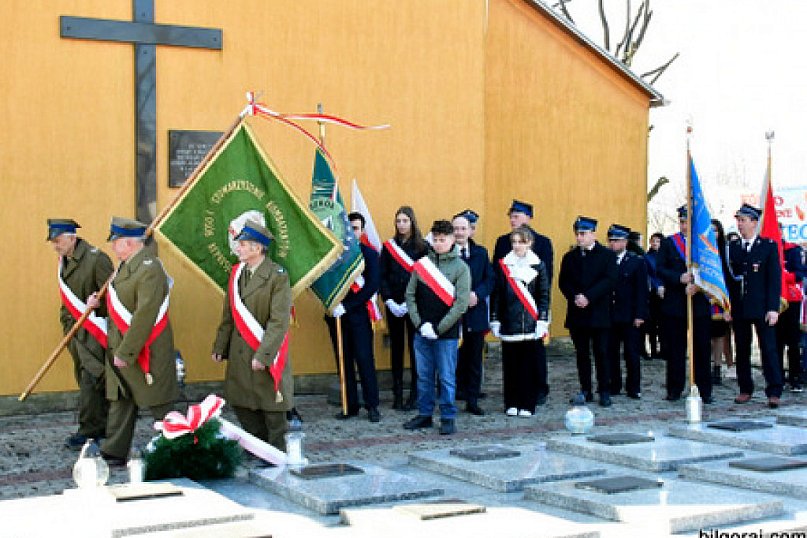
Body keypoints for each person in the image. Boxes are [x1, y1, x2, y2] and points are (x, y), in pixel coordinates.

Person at [88, 217, 178, 466]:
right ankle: (114, 449)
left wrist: (126, 352)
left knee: (159, 403)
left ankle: (178, 447)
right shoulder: (126, 266)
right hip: (123, 345)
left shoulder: (150, 268)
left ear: (128, 243)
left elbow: (145, 314)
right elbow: (121, 304)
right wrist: (98, 306)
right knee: (121, 398)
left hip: (145, 349)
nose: (113, 248)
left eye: (115, 243)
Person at [212, 220, 293, 449]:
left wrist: (264, 355)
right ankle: (258, 445)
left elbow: (278, 321)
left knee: (271, 407)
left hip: (265, 352)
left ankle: (277, 452)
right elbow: (228, 314)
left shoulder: (277, 276)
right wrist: (220, 346)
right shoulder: (237, 274)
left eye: (243, 244)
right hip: (240, 352)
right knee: (242, 402)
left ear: (258, 249)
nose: (238, 248)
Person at [47, 218, 113, 450]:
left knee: (91, 379)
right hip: (75, 333)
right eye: (53, 242)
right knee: (86, 378)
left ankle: (89, 430)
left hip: (94, 331)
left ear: (72, 237)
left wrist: (98, 305)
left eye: (58, 240)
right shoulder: (63, 261)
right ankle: (104, 425)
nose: (55, 245)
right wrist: (66, 323)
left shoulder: (96, 259)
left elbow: (114, 299)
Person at [403, 220, 470, 435]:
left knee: (446, 376)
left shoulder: (461, 268)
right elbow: (410, 295)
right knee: (424, 375)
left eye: (444, 240)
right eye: (437, 240)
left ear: (452, 240)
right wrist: (419, 324)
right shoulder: (422, 265)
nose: (439, 244)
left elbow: (460, 304)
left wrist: (439, 328)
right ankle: (425, 414)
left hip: (446, 333)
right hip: (422, 331)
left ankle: (448, 416)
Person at [655, 206, 714, 404]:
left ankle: (704, 389)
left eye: (687, 222)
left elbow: (712, 268)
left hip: (699, 303)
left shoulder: (704, 243)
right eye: (681, 221)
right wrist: (678, 278)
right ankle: (674, 388)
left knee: (701, 349)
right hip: (676, 304)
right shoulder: (669, 243)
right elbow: (660, 269)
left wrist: (698, 285)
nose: (684, 225)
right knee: (675, 350)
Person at [490, 225, 550, 416]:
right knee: (511, 367)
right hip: (509, 323)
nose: (517, 246)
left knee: (528, 367)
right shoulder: (504, 265)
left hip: (530, 324)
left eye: (521, 242)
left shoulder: (538, 265)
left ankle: (527, 404)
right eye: (514, 242)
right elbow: (498, 295)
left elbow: (544, 295)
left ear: (529, 243)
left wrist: (542, 320)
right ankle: (511, 403)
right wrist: (495, 319)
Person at [727, 203, 783, 408]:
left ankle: (774, 389)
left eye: (743, 220)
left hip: (762, 307)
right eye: (738, 221)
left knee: (768, 348)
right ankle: (745, 388)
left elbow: (773, 280)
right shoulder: (732, 248)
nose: (739, 224)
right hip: (740, 307)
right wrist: (727, 308)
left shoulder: (767, 247)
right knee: (742, 349)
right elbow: (730, 281)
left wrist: (773, 308)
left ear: (754, 222)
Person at [559, 216, 617, 407]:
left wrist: (589, 296)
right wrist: (575, 296)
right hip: (578, 313)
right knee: (582, 353)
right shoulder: (570, 257)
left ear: (593, 234)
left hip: (599, 312)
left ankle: (604, 390)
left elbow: (609, 280)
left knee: (601, 352)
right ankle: (586, 389)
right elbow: (563, 282)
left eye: (583, 234)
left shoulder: (607, 255)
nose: (579, 238)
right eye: (577, 234)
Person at [331, 212, 381, 422]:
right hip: (337, 317)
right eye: (349, 228)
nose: (352, 231)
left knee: (364, 360)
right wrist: (333, 304)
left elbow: (371, 286)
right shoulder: (336, 255)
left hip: (359, 315)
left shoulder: (369, 255)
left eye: (356, 228)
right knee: (344, 362)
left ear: (362, 230)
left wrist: (348, 305)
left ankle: (372, 405)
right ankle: (349, 405)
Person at [379, 206, 429, 411]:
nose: (401, 225)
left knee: (416, 350)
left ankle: (415, 394)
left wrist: (410, 303)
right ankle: (397, 393)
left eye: (405, 221)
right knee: (397, 349)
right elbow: (383, 276)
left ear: (412, 222)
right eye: (398, 221)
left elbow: (425, 278)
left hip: (414, 306)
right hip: (394, 305)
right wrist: (389, 300)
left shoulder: (423, 247)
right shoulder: (389, 247)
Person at [453, 210, 494, 415]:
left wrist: (477, 294)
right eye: (456, 229)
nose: (459, 232)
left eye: (463, 228)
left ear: (470, 231)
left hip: (475, 312)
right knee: (454, 358)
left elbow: (490, 279)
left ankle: (472, 399)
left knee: (474, 358)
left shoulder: (481, 253)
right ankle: (453, 396)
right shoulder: (445, 254)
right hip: (453, 315)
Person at [606, 224, 648, 399]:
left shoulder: (636, 261)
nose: (612, 244)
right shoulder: (606, 260)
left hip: (630, 315)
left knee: (632, 353)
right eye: (610, 240)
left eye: (616, 241)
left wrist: (640, 314)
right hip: (610, 315)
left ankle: (634, 387)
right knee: (611, 353)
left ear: (624, 242)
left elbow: (642, 291)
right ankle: (614, 385)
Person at [493, 199, 554, 285]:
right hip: (507, 294)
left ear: (528, 218)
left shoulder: (543, 243)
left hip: (531, 296)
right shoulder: (502, 242)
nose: (512, 220)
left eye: (516, 217)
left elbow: (546, 276)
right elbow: (496, 273)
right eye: (510, 217)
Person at [777, 238, 806, 392]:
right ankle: (778, 377)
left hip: (791, 299)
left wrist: (782, 276)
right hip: (774, 301)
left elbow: (800, 273)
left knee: (793, 341)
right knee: (776, 342)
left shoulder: (793, 250)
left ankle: (795, 377)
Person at [710, 219, 734, 385]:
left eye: (716, 230)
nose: (714, 234)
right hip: (702, 296)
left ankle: (717, 367)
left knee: (719, 335)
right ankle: (704, 365)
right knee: (704, 336)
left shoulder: (725, 251)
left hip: (721, 298)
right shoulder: (698, 249)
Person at [644, 232, 665, 360]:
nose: (655, 244)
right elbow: (648, 275)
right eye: (653, 241)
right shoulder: (647, 257)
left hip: (665, 293)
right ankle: (652, 349)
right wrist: (657, 286)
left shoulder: (666, 257)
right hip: (652, 293)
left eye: (658, 241)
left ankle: (664, 349)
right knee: (652, 322)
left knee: (663, 323)